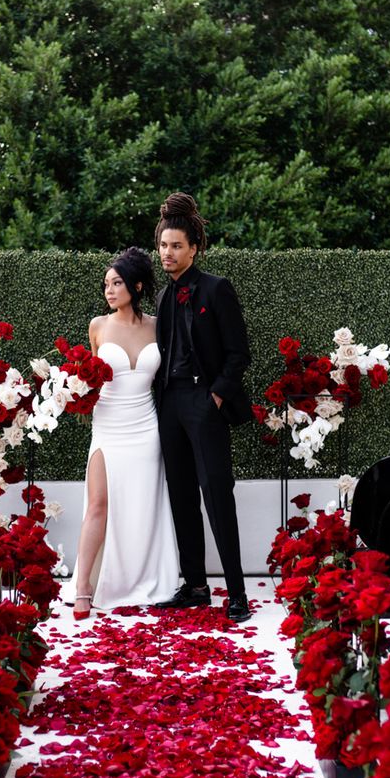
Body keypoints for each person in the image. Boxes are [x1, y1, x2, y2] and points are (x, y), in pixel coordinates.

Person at [154, 192, 252, 622]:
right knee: (180, 496)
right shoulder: (161, 297)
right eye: (163, 246)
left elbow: (239, 353)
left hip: (203, 400)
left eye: (176, 246)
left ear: (194, 248)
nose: (168, 253)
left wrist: (215, 395)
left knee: (216, 493)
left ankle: (237, 594)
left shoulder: (217, 288)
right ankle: (195, 586)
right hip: (170, 403)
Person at [70, 247, 180, 617]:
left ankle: (141, 578)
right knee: (98, 504)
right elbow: (89, 377)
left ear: (136, 285)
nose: (109, 291)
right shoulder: (98, 326)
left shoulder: (156, 325)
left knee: (142, 507)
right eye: (106, 284)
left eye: (117, 283)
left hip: (146, 427)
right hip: (109, 425)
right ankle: (84, 586)